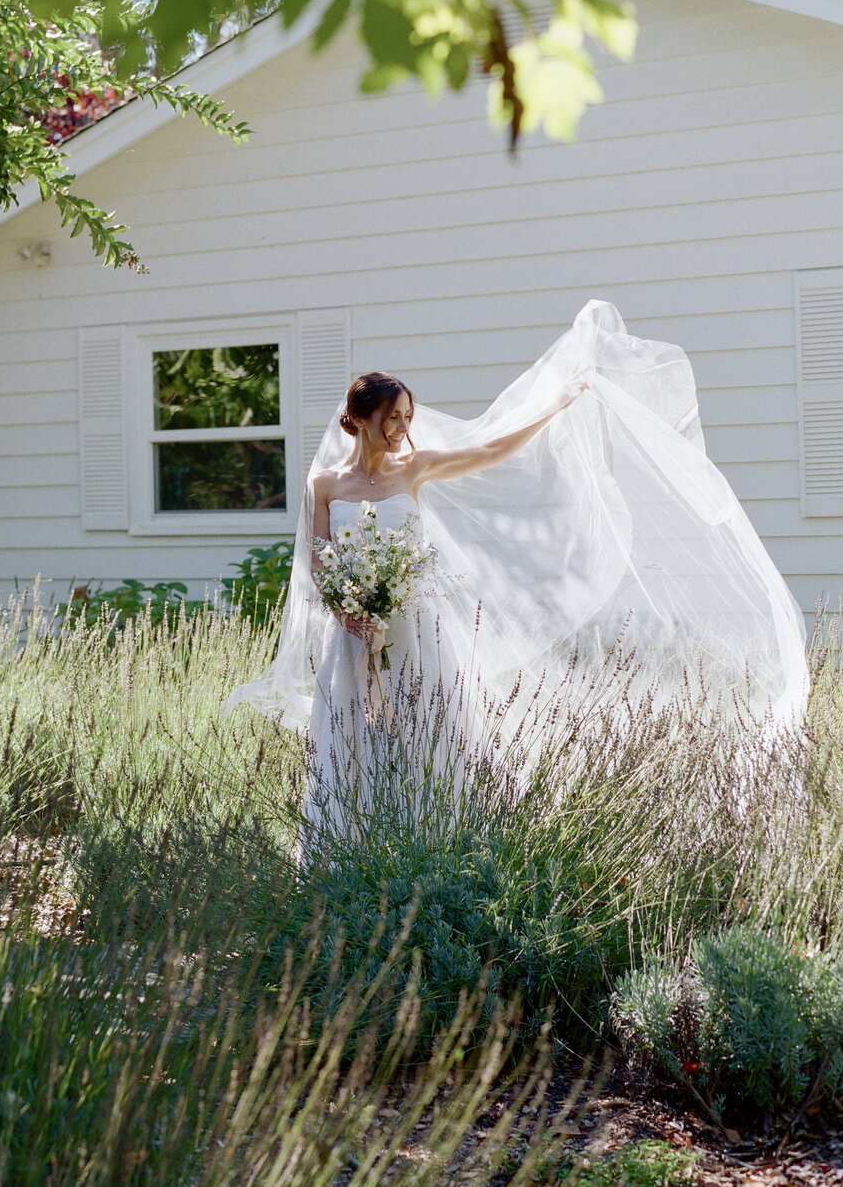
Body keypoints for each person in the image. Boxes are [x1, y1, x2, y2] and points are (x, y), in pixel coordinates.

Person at [224, 301, 809, 848]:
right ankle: (347, 858)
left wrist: (552, 406)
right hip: (352, 635)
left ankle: (440, 847)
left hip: (415, 628)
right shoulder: (324, 485)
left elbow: (488, 450)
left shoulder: (416, 467)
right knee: (350, 744)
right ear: (358, 418)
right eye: (390, 417)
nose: (401, 427)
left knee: (433, 737)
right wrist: (351, 612)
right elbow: (319, 562)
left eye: (406, 417)